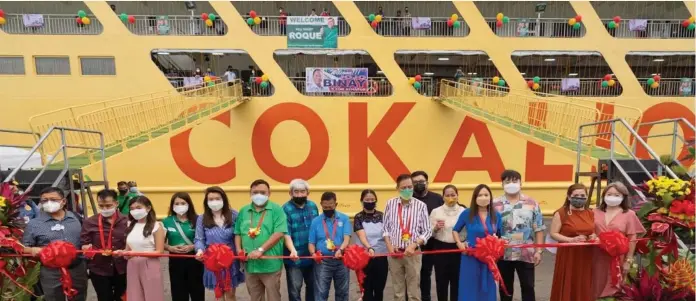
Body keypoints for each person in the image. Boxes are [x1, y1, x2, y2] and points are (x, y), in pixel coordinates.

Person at [23, 187, 89, 301]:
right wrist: (32, 250)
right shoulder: (34, 224)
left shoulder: (76, 218)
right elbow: (24, 247)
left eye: (53, 199)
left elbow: (86, 239)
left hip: (77, 268)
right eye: (44, 200)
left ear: (63, 201)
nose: (49, 203)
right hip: (50, 272)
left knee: (79, 297)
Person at [492, 170, 545, 301]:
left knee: (528, 287)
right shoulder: (494, 204)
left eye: (514, 181)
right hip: (503, 253)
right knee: (505, 289)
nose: (511, 184)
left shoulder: (532, 203)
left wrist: (539, 251)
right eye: (507, 181)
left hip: (526, 253)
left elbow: (538, 229)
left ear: (521, 183)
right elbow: (489, 229)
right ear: (502, 184)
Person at [234, 180, 287, 301]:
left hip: (270, 266)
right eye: (255, 192)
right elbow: (237, 233)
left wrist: (260, 250)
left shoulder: (277, 210)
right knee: (255, 297)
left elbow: (279, 233)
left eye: (263, 192)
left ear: (269, 193)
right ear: (250, 193)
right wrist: (239, 250)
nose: (259, 195)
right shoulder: (244, 211)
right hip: (250, 265)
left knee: (273, 297)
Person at [383, 174, 432, 301]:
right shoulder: (390, 204)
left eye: (410, 187)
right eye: (403, 187)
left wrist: (414, 244)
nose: (407, 190)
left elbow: (427, 231)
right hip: (395, 254)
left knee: (414, 292)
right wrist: (389, 247)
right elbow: (385, 229)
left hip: (413, 254)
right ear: (398, 188)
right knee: (398, 292)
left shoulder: (421, 205)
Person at [592, 182, 645, 299]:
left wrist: (628, 260)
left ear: (623, 197)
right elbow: (587, 230)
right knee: (594, 287)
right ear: (604, 195)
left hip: (617, 259)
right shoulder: (594, 212)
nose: (612, 197)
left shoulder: (629, 214)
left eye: (616, 195)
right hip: (596, 257)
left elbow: (632, 239)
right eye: (609, 194)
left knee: (615, 290)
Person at [452, 184, 502, 301]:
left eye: (486, 195)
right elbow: (455, 230)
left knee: (488, 288)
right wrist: (459, 243)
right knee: (469, 287)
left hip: (489, 259)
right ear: (475, 198)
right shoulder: (467, 213)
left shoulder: (497, 216)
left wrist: (497, 247)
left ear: (490, 197)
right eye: (480, 195)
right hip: (471, 257)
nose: (483, 197)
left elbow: (499, 235)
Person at [195, 186, 245, 301]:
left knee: (231, 293)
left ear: (224, 199)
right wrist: (199, 250)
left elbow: (240, 234)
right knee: (219, 294)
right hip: (213, 260)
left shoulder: (234, 215)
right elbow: (199, 239)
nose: (214, 202)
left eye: (217, 198)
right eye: (211, 199)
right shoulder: (202, 218)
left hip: (230, 259)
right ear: (206, 202)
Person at [550, 183, 596, 301]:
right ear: (569, 197)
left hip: (586, 255)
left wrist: (593, 236)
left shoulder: (591, 213)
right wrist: (571, 240)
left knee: (584, 282)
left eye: (582, 195)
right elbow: (554, 233)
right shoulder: (561, 213)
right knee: (568, 281)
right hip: (568, 255)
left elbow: (594, 231)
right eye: (576, 195)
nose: (579, 198)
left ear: (586, 197)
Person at [80, 189, 128, 301]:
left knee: (122, 297)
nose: (105, 209)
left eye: (108, 205)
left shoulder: (127, 221)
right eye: (101, 206)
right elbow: (84, 242)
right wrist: (87, 249)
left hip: (122, 267)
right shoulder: (90, 222)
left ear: (116, 203)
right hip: (99, 268)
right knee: (104, 298)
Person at [309, 192, 351, 301]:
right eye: (325, 207)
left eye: (330, 206)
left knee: (342, 292)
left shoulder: (344, 219)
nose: (328, 209)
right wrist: (313, 254)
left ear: (336, 204)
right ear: (321, 205)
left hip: (342, 260)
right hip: (323, 261)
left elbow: (346, 239)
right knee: (321, 292)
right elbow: (311, 243)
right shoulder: (316, 221)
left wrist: (341, 250)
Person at [121, 196, 165, 301]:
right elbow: (127, 249)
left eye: (138, 207)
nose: (135, 211)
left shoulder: (157, 226)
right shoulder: (130, 225)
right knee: (134, 295)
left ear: (148, 208)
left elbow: (160, 251)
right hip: (132, 264)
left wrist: (136, 253)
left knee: (152, 295)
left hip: (150, 264)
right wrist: (122, 253)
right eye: (132, 209)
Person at [163, 192, 205, 301]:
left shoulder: (198, 220)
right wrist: (170, 248)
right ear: (172, 206)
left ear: (189, 204)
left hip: (195, 259)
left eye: (183, 203)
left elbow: (204, 240)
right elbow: (160, 243)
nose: (180, 206)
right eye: (176, 203)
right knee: (178, 293)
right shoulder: (166, 222)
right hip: (175, 261)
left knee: (197, 292)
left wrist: (192, 246)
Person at [282, 179, 318, 301]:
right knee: (294, 289)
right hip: (294, 258)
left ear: (307, 192)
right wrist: (293, 250)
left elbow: (317, 230)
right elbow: (285, 233)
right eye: (296, 192)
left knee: (313, 287)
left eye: (302, 191)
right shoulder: (285, 209)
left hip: (312, 256)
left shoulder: (313, 206)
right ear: (290, 193)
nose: (299, 195)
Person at [411, 171, 443, 301]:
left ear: (427, 183)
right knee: (413, 276)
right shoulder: (408, 198)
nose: (419, 184)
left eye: (421, 181)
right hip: (413, 245)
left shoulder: (437, 198)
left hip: (433, 244)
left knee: (426, 275)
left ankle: (426, 298)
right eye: (415, 182)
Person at [430, 185, 465, 301]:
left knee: (457, 281)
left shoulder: (463, 211)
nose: (450, 197)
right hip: (441, 249)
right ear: (443, 197)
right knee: (441, 282)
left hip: (458, 249)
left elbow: (468, 232)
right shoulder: (436, 211)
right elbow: (429, 234)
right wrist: (435, 228)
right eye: (447, 195)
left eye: (453, 195)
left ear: (457, 196)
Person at [354, 189, 388, 301]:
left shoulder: (382, 216)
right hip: (364, 258)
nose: (370, 202)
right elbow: (361, 236)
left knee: (379, 289)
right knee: (366, 290)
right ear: (362, 201)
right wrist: (369, 247)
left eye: (372, 199)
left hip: (381, 257)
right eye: (367, 200)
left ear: (376, 200)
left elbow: (387, 235)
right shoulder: (358, 217)